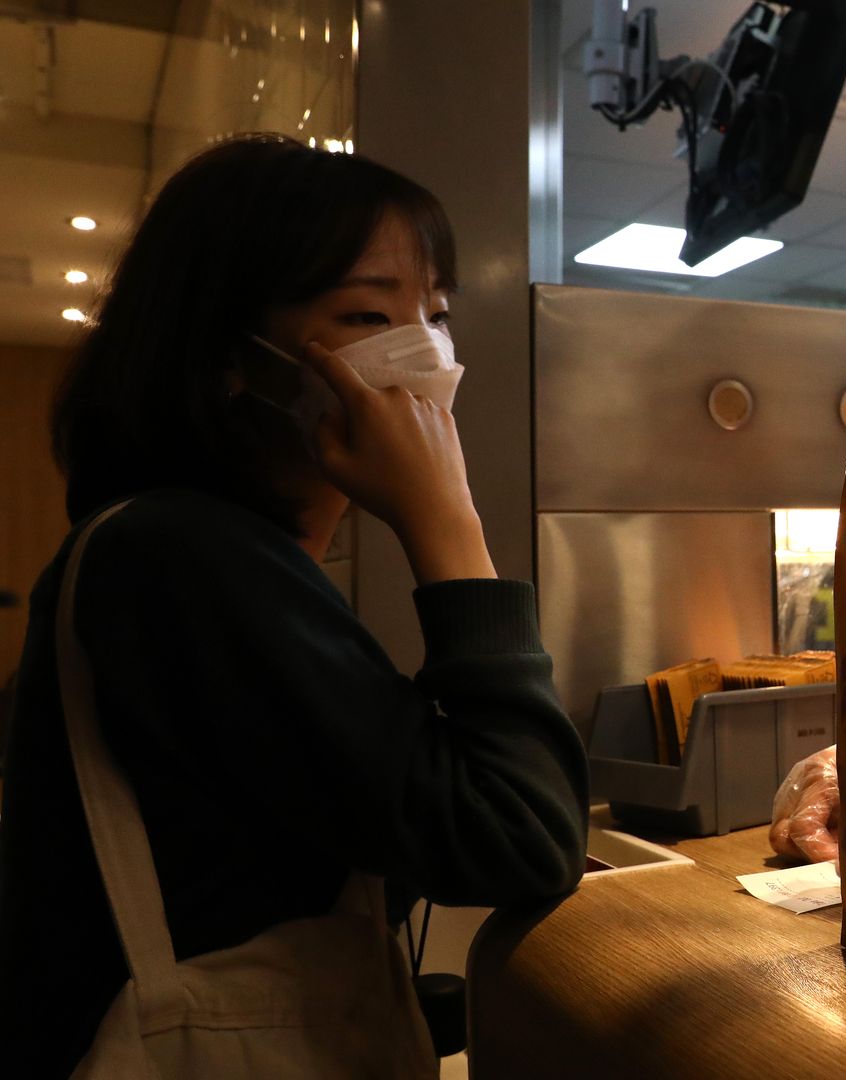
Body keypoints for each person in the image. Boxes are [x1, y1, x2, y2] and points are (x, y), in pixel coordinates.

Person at [1, 135, 590, 1075]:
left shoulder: (204, 554)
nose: (426, 352)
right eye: (368, 312)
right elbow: (523, 838)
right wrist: (450, 525)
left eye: (435, 313)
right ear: (233, 355)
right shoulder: (182, 554)